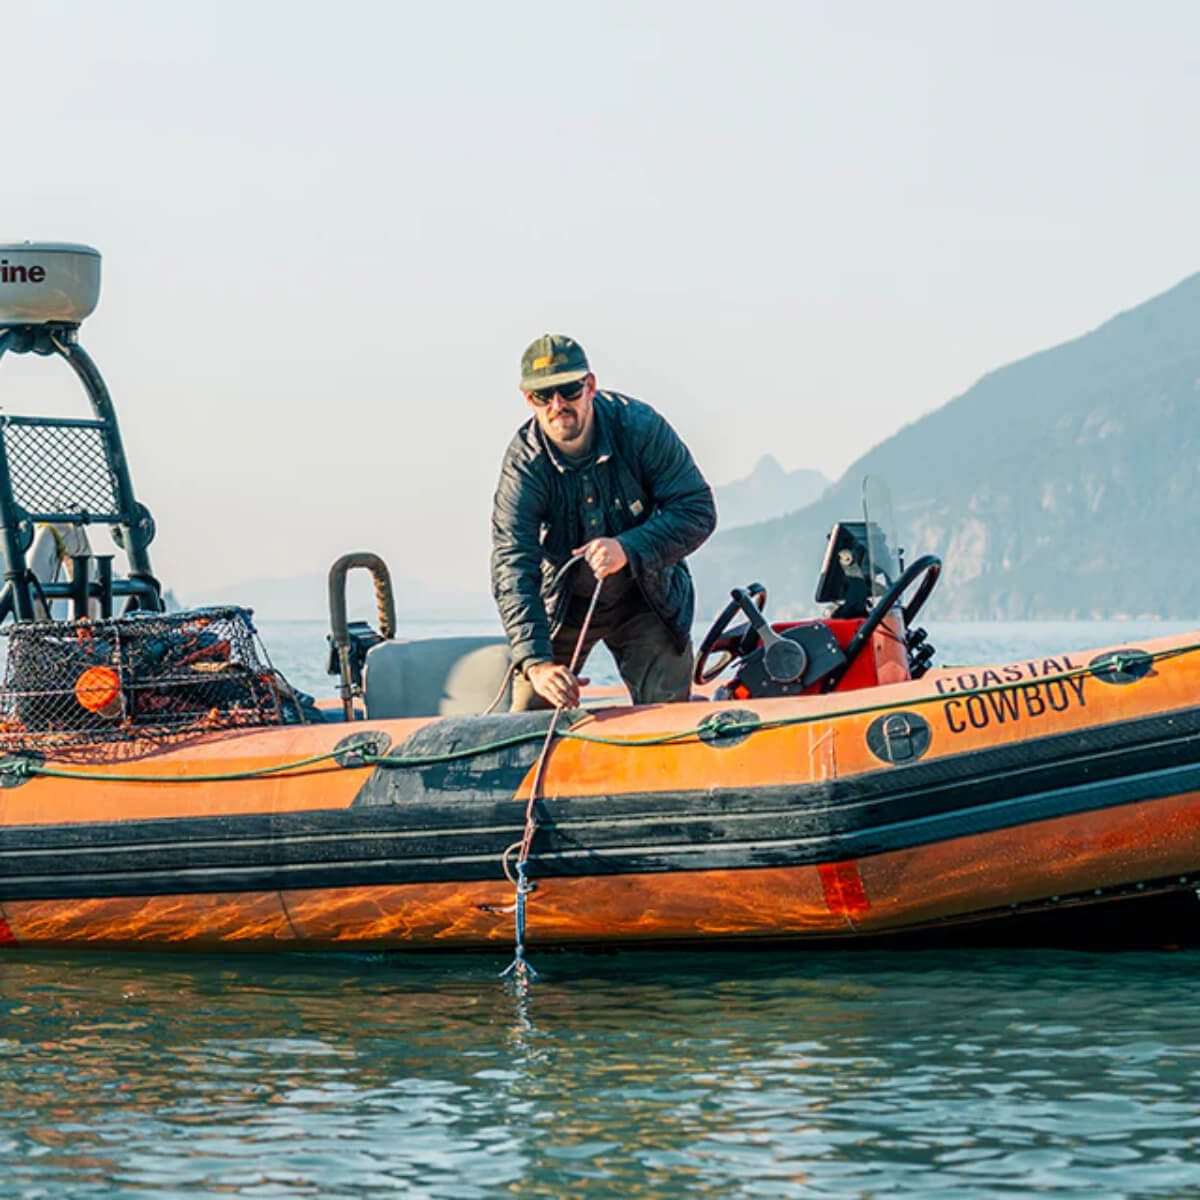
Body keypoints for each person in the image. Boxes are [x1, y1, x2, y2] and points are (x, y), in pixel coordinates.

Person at [491, 334, 717, 711]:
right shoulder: (523, 466)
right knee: (528, 713)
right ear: (529, 399)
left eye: (568, 389)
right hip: (563, 605)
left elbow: (697, 509)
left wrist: (629, 548)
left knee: (669, 718)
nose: (558, 405)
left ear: (590, 386)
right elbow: (512, 565)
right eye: (544, 396)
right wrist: (537, 663)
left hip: (648, 597)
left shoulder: (640, 428)